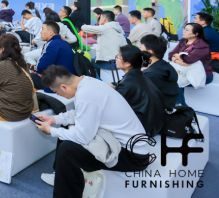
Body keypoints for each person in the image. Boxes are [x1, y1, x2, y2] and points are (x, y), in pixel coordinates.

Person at [35, 66, 149, 195]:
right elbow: (80, 113)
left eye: (56, 92)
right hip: (117, 141)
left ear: (63, 87)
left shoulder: (86, 95)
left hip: (132, 155)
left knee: (67, 151)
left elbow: (82, 137)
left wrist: (51, 131)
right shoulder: (86, 82)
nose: (58, 95)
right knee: (66, 130)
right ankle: (60, 176)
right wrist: (53, 119)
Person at [110, 45, 166, 137]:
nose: (116, 59)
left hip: (142, 128)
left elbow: (113, 106)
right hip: (154, 125)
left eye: (118, 56)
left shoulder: (128, 83)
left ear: (128, 64)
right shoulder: (139, 76)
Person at [169, 22, 213, 106]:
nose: (184, 31)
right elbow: (171, 55)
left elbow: (189, 59)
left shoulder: (202, 46)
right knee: (167, 77)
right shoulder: (183, 42)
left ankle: (181, 106)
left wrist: (177, 56)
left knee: (173, 80)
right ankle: (176, 105)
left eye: (187, 30)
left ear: (195, 34)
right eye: (184, 29)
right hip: (184, 72)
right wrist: (178, 61)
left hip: (201, 74)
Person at [30, 22, 76, 93]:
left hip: (55, 84)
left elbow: (42, 65)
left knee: (25, 76)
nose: (41, 32)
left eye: (42, 29)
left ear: (50, 32)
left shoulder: (52, 44)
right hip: (67, 81)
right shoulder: (64, 43)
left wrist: (37, 69)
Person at [81, 11, 127, 75]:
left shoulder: (105, 28)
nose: (99, 20)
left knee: (84, 62)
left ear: (104, 19)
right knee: (95, 60)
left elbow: (84, 28)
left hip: (111, 63)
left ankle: (98, 80)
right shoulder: (118, 29)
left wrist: (94, 26)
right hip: (121, 62)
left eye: (100, 18)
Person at [140, 34, 178, 110]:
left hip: (154, 111)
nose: (139, 51)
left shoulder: (152, 74)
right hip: (165, 108)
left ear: (150, 52)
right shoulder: (165, 66)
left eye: (141, 49)